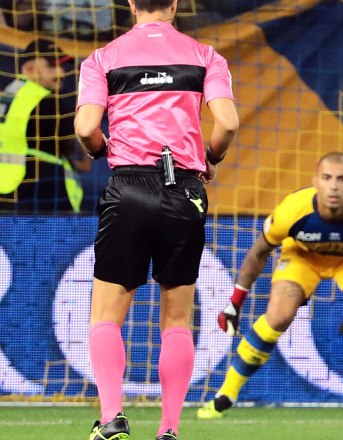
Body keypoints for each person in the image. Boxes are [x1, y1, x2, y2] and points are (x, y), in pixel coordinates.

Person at [75, 0, 239, 439]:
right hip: (184, 190)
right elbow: (227, 122)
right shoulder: (205, 56)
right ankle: (168, 431)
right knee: (177, 320)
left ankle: (112, 419)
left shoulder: (102, 59)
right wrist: (210, 158)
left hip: (127, 187)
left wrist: (102, 151)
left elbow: (87, 126)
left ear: (130, 4)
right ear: (175, 4)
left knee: (107, 316)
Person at [197, 151, 343, 419]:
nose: (334, 186)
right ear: (315, 181)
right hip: (302, 257)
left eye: (342, 179)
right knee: (278, 315)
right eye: (327, 178)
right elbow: (259, 252)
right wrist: (235, 302)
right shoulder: (292, 210)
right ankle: (225, 395)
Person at [0, 37, 85, 213]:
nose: (61, 73)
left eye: (62, 66)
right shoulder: (48, 102)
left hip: (6, 196)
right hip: (40, 199)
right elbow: (83, 162)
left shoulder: (7, 95)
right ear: (29, 68)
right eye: (52, 66)